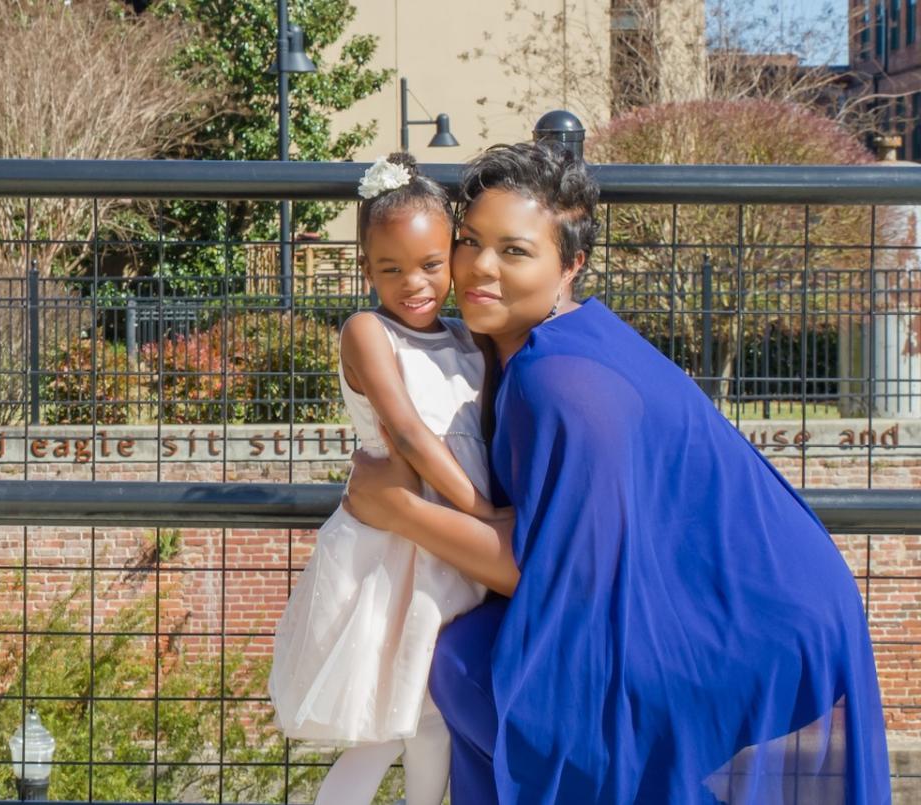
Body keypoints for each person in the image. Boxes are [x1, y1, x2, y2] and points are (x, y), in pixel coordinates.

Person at [345, 142, 891, 804]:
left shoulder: (560, 380)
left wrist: (397, 507)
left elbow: (549, 570)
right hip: (723, 602)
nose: (479, 268)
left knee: (465, 664)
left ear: (570, 264)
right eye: (468, 242)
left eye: (514, 251)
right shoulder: (549, 340)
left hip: (747, 630)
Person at [268, 152, 509, 805]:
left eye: (432, 265)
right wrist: (482, 517)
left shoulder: (468, 342)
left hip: (447, 552)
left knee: (434, 710)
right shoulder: (367, 331)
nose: (415, 283)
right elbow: (405, 431)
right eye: (392, 269)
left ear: (453, 259)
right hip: (395, 552)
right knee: (382, 716)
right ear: (366, 269)